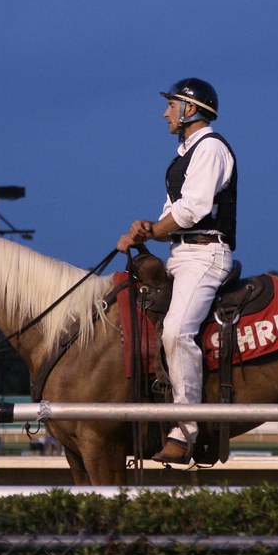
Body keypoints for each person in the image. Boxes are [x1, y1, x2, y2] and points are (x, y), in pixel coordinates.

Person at [117, 77, 237, 465]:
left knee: (176, 330)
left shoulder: (211, 149)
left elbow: (194, 210)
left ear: (190, 109)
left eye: (171, 104)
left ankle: (186, 431)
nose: (164, 112)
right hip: (181, 256)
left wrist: (152, 229)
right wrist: (142, 231)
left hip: (205, 257)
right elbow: (171, 213)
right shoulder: (183, 155)